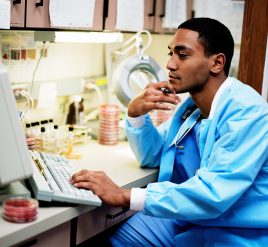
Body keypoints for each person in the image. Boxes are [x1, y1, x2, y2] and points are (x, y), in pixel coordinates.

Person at [70, 17, 268, 246]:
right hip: (187, 219)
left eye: (182, 55)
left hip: (231, 231)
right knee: (110, 238)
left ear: (217, 63)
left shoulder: (247, 113)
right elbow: (153, 155)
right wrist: (135, 114)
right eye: (171, 53)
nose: (171, 64)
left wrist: (123, 195)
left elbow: (213, 194)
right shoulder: (192, 109)